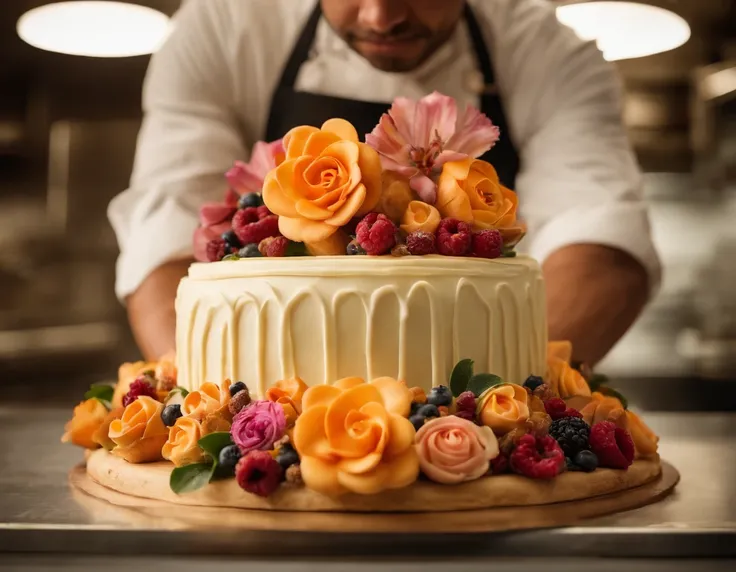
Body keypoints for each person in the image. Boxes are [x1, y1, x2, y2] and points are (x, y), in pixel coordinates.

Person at [109, 0, 660, 367]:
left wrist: (495, 406)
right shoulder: (222, 25)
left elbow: (599, 235)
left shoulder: (546, 49)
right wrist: (210, 399)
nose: (380, 17)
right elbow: (169, 225)